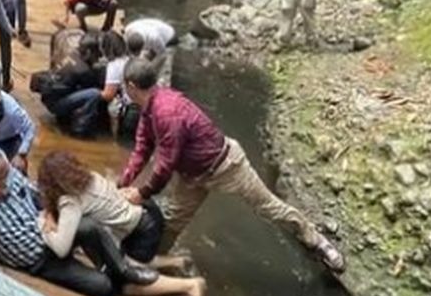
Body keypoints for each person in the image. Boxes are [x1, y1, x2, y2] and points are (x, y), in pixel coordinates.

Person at [117, 59, 345, 272]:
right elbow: (143, 147)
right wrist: (124, 180)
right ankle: (150, 261)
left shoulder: (167, 112)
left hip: (227, 166)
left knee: (269, 207)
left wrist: (141, 192)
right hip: (192, 176)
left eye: (124, 86)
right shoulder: (149, 110)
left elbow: (165, 164)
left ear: (132, 86)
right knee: (174, 220)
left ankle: (317, 241)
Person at [0, 152, 165, 296]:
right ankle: (114, 272)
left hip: (51, 233)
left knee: (89, 226)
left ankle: (124, 269)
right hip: (40, 260)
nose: (11, 177)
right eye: (4, 176)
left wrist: (48, 213)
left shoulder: (13, 179)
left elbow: (41, 191)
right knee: (104, 287)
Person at [38, 150, 205, 296]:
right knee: (126, 260)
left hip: (140, 232)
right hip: (147, 215)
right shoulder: (91, 178)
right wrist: (51, 213)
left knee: (128, 286)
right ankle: (178, 262)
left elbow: (61, 249)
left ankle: (189, 285)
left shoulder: (70, 201)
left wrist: (44, 227)